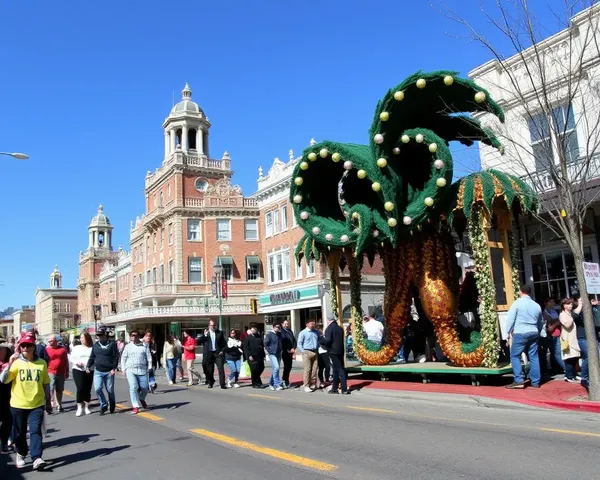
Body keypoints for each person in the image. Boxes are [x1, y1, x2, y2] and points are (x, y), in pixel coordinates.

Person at [0, 331, 51, 470]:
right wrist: (10, 365)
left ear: (34, 346)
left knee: (35, 431)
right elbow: (3, 380)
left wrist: (48, 401)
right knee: (20, 432)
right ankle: (21, 453)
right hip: (18, 404)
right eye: (23, 346)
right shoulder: (16, 363)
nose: (26, 348)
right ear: (20, 347)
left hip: (37, 403)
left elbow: (46, 383)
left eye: (29, 345)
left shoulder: (41, 363)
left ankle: (37, 457)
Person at [505, 284, 544, 389]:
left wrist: (506, 333)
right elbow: (540, 321)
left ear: (520, 291)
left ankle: (518, 380)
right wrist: (538, 331)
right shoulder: (536, 305)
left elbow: (510, 319)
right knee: (534, 356)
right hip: (533, 331)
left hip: (521, 332)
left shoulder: (517, 303)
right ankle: (535, 381)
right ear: (530, 293)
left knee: (515, 355)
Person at [86, 326, 118, 415]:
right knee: (98, 389)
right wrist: (88, 366)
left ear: (105, 335)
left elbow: (116, 357)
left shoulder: (112, 344)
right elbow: (92, 357)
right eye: (98, 336)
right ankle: (104, 404)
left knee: (110, 390)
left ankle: (112, 404)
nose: (100, 337)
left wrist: (113, 368)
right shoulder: (96, 345)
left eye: (101, 335)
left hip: (109, 371)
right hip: (98, 371)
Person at [121, 329, 152, 415]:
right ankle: (135, 406)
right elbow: (123, 358)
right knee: (133, 387)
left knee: (145, 388)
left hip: (142, 369)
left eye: (135, 335)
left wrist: (149, 367)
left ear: (138, 336)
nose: (133, 337)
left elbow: (149, 357)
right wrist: (123, 369)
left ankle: (142, 398)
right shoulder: (128, 346)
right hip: (130, 369)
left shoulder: (144, 346)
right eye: (132, 335)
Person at [320, 313, 350, 395]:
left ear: (328, 320)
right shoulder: (339, 328)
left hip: (333, 351)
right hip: (340, 351)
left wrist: (321, 339)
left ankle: (344, 388)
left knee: (340, 369)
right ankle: (334, 388)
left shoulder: (329, 329)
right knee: (336, 370)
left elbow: (328, 341)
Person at [197, 320, 227, 389]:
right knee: (210, 370)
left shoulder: (220, 333)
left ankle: (222, 384)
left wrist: (222, 351)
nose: (213, 327)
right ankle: (211, 382)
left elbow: (224, 344)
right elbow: (198, 341)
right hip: (209, 354)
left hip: (217, 353)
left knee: (221, 369)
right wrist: (204, 335)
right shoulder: (206, 333)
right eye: (211, 325)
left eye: (214, 325)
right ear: (209, 326)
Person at [70, 332, 94, 417]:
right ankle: (79, 407)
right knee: (80, 388)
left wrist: (89, 367)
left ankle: (86, 407)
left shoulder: (92, 348)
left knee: (87, 389)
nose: (81, 339)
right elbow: (71, 358)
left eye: (83, 338)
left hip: (89, 370)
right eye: (80, 338)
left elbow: (94, 359)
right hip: (78, 369)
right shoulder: (76, 348)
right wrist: (76, 363)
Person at [559, 298, 582, 384]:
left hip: (573, 338)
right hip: (567, 339)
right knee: (569, 358)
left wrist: (580, 304)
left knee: (575, 357)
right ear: (564, 305)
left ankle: (574, 374)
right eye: (568, 304)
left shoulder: (570, 314)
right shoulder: (562, 315)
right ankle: (568, 376)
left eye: (571, 304)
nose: (571, 305)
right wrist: (572, 316)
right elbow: (568, 325)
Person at [46, 334, 69, 413]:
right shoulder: (46, 350)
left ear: (56, 341)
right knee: (50, 388)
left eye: (51, 341)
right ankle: (51, 403)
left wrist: (67, 372)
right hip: (50, 371)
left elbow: (66, 361)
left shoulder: (62, 349)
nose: (49, 342)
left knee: (59, 389)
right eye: (49, 341)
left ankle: (59, 404)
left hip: (60, 372)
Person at [0, 333, 14, 452]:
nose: (1, 352)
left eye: (2, 350)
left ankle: (3, 442)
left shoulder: (11, 364)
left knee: (7, 420)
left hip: (8, 395)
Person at [297, 320, 319, 392]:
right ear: (307, 324)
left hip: (315, 352)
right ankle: (306, 385)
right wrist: (303, 351)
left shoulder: (315, 332)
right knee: (307, 369)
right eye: (311, 323)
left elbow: (318, 341)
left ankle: (312, 384)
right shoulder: (303, 333)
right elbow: (299, 343)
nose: (313, 325)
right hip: (307, 352)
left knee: (314, 370)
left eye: (314, 323)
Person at [243, 323, 265, 388]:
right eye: (252, 328)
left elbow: (262, 346)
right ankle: (255, 383)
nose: (254, 330)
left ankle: (258, 381)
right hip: (252, 356)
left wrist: (263, 355)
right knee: (254, 370)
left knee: (261, 368)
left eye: (255, 329)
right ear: (250, 329)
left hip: (259, 356)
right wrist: (249, 355)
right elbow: (246, 348)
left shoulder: (259, 336)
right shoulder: (248, 337)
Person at [264, 324, 283, 391]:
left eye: (279, 327)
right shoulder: (269, 334)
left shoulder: (279, 334)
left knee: (275, 369)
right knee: (277, 367)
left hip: (278, 353)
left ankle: (271, 383)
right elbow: (265, 344)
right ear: (273, 327)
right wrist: (269, 351)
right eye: (276, 327)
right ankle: (276, 384)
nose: (277, 328)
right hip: (272, 354)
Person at [279, 320, 297, 388]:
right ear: (282, 324)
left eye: (287, 324)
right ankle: (284, 380)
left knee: (289, 366)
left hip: (291, 352)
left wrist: (294, 348)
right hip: (285, 352)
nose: (287, 325)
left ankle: (286, 380)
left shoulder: (290, 331)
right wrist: (288, 349)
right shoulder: (281, 332)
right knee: (286, 366)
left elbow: (294, 340)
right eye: (285, 324)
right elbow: (283, 342)